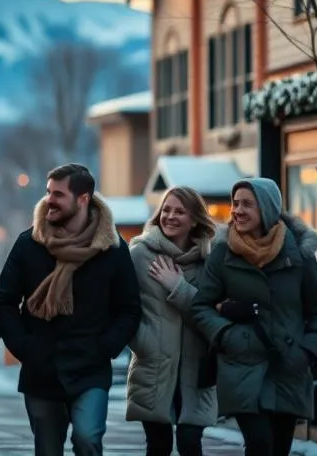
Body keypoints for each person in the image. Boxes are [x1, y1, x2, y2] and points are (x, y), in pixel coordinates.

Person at [0, 163, 141, 456]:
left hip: (90, 368)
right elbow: (4, 302)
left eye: (58, 194)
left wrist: (105, 347)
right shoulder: (29, 243)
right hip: (41, 371)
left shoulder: (112, 249)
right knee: (47, 451)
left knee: (88, 440)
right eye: (49, 192)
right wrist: (25, 347)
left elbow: (129, 309)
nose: (50, 200)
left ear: (83, 198)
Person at [191, 178, 317, 456]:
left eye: (247, 204)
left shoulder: (298, 255)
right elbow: (201, 307)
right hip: (241, 366)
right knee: (259, 444)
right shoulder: (223, 253)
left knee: (279, 449)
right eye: (235, 203)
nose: (237, 210)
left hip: (288, 367)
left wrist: (307, 352)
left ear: (267, 209)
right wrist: (227, 335)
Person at [125, 186, 218, 456]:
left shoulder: (209, 260)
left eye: (179, 211)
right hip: (153, 366)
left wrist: (177, 287)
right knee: (158, 446)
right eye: (166, 209)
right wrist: (142, 341)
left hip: (196, 370)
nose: (170, 216)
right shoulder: (140, 255)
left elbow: (211, 314)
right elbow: (124, 307)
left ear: (195, 219)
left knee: (191, 445)